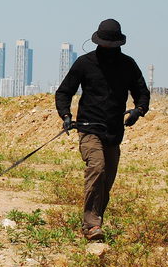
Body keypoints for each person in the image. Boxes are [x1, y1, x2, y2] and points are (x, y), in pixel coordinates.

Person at [55, 19, 150, 240]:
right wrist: (66, 116)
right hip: (89, 128)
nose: (107, 48)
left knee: (106, 180)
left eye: (111, 44)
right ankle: (91, 226)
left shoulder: (128, 65)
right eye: (104, 43)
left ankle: (95, 221)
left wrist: (138, 110)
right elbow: (63, 92)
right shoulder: (84, 63)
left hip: (114, 132)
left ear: (118, 43)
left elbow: (142, 93)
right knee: (96, 168)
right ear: (98, 41)